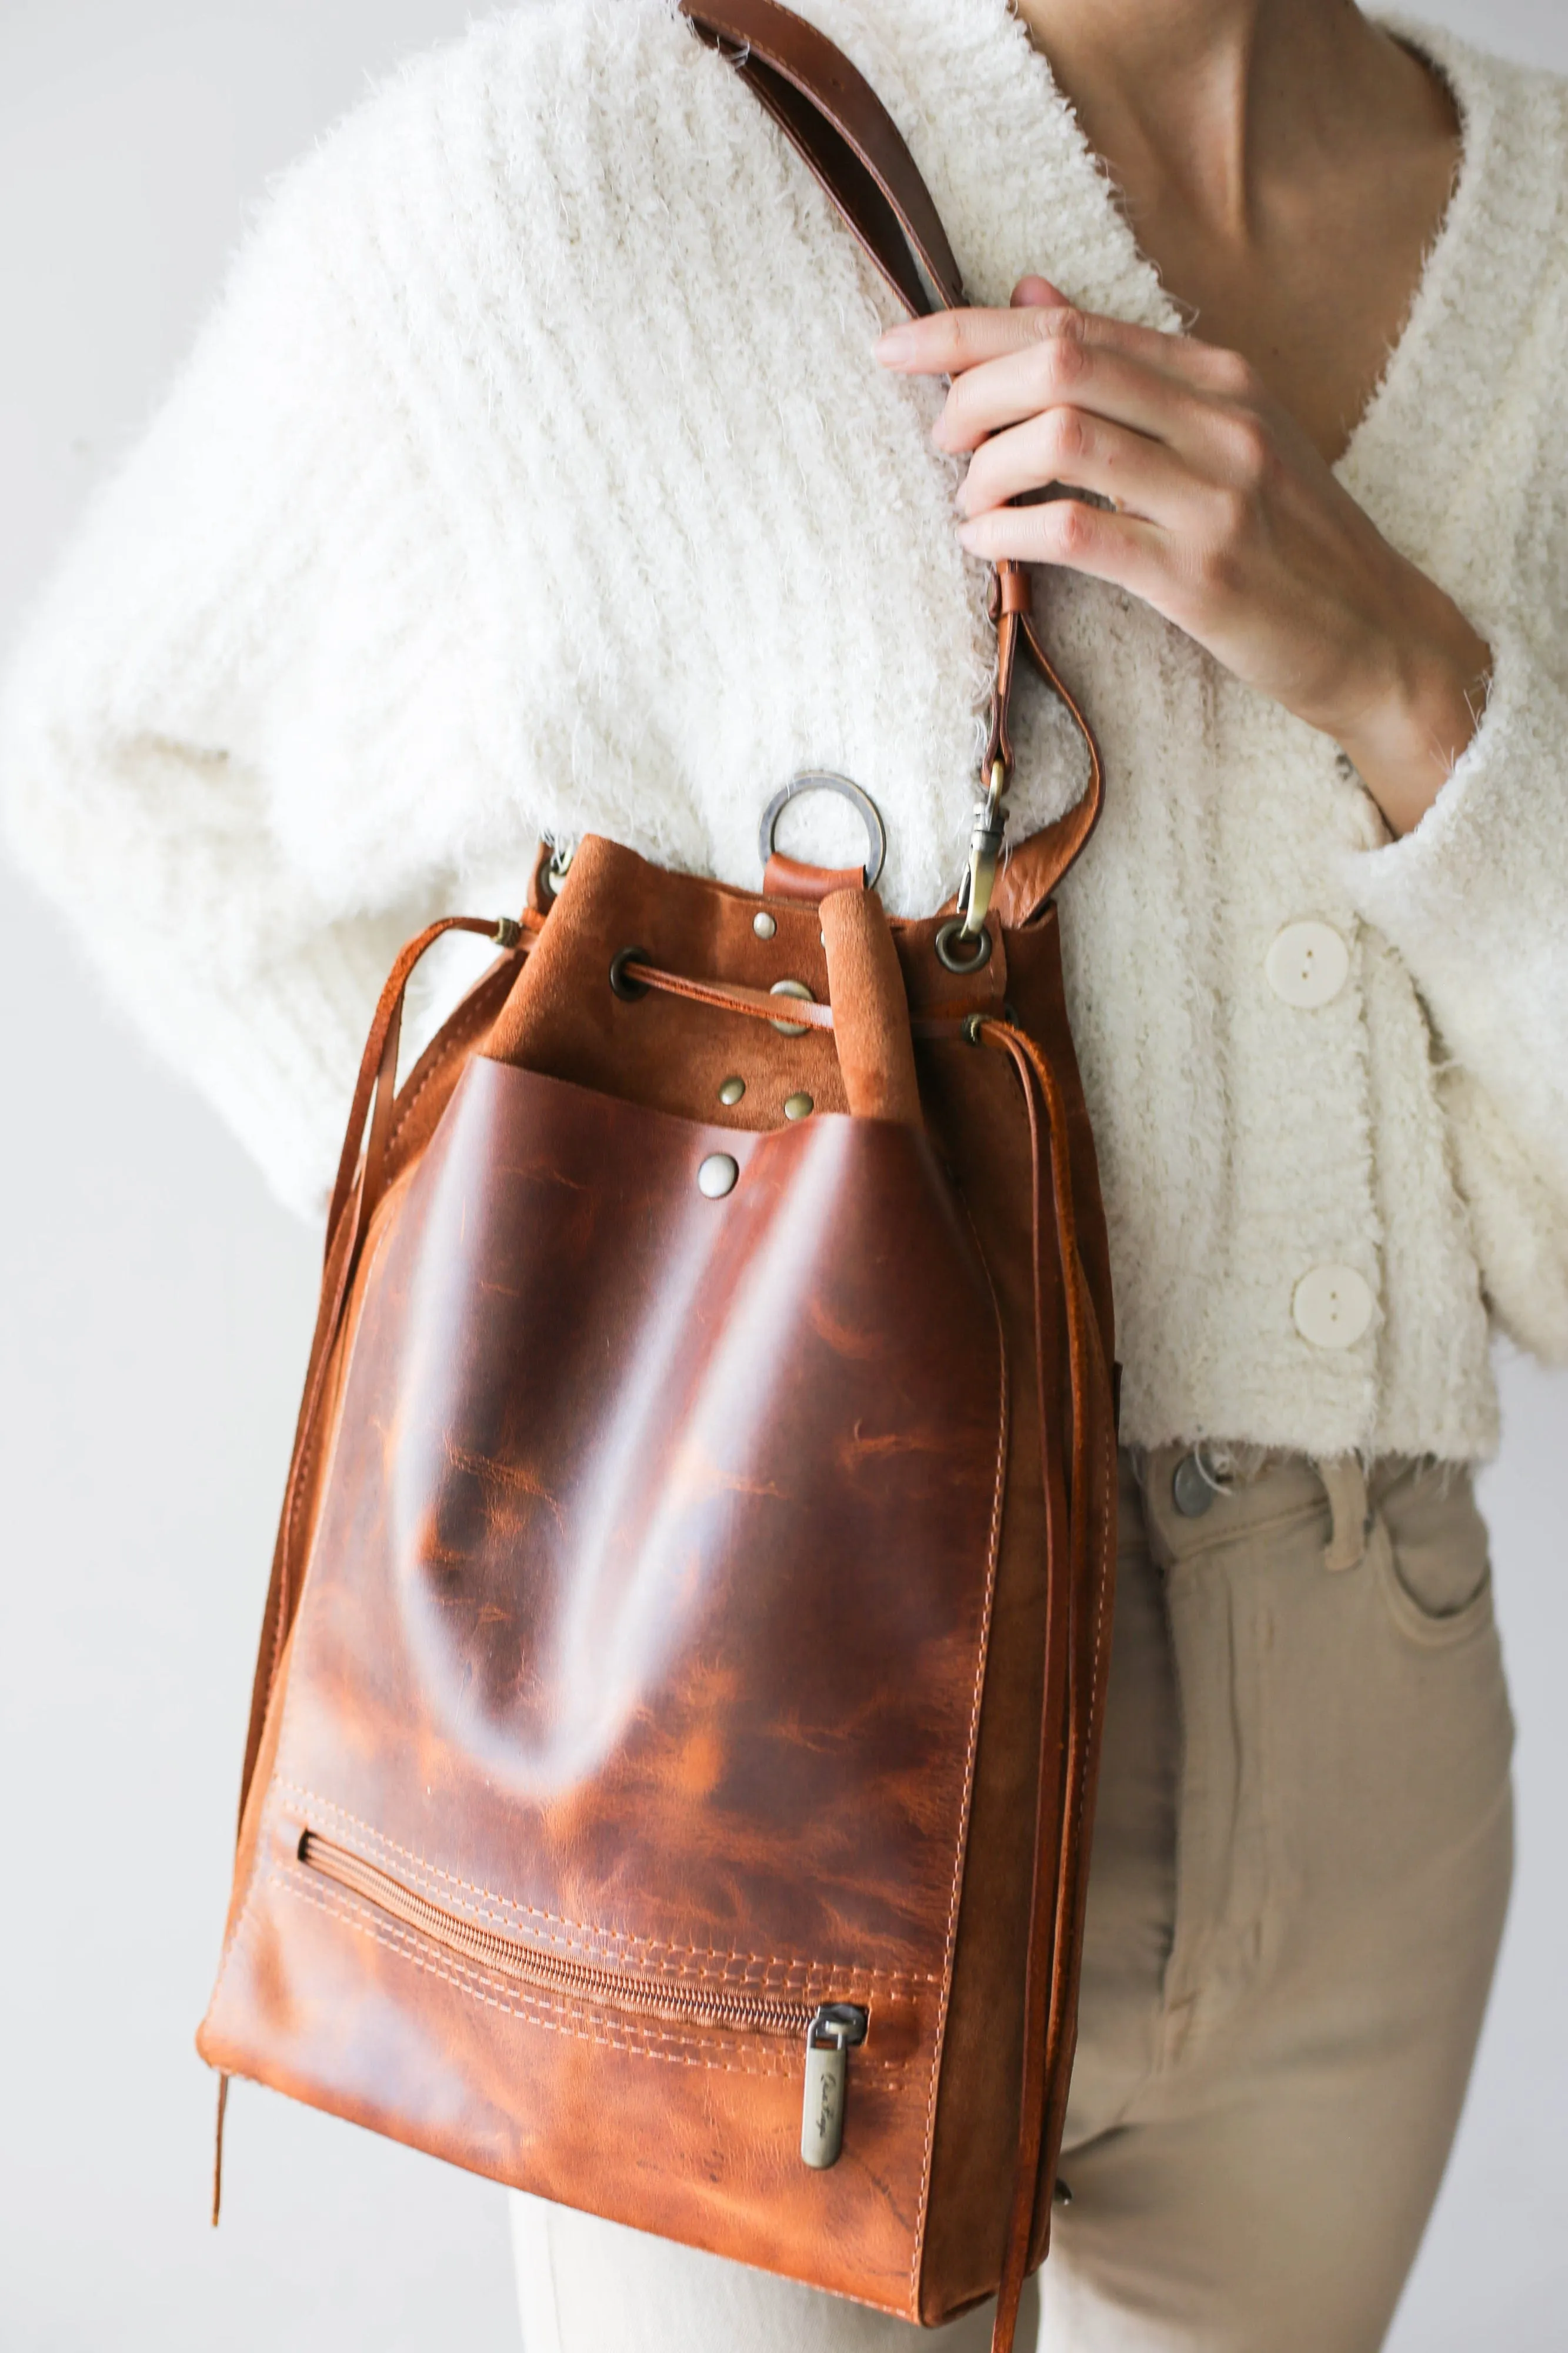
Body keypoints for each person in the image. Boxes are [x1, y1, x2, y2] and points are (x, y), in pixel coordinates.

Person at [2, 0, 1563, 2345]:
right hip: (748, 1717)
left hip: (1362, 1749)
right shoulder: (584, 166)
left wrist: (1416, 683)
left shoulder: (1539, 242)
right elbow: (131, 755)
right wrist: (559, 1302)